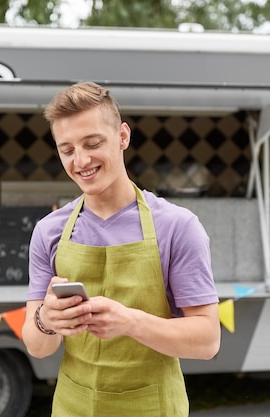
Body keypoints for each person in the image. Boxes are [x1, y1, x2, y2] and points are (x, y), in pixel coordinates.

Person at [22, 81, 221, 417]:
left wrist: (129, 322)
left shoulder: (177, 227)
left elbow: (206, 341)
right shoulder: (48, 231)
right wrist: (46, 320)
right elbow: (38, 347)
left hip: (153, 407)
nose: (80, 160)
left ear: (123, 137)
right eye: (67, 150)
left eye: (92, 143)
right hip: (74, 406)